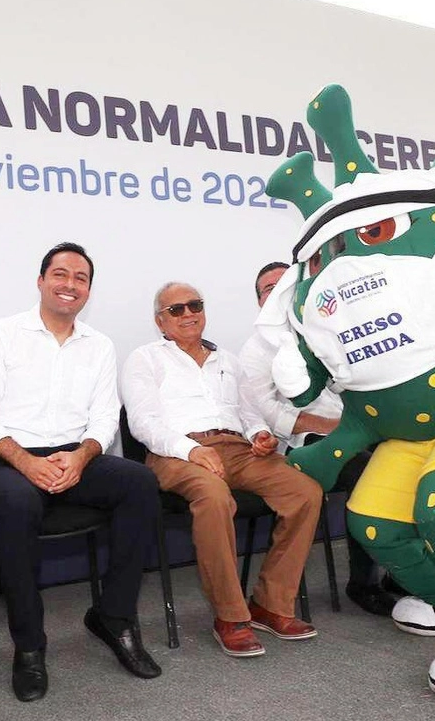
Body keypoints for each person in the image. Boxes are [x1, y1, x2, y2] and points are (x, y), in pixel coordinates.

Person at [0, 242, 162, 703]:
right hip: (3, 458)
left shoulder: (100, 345)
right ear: (40, 281)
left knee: (139, 482)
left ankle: (113, 617)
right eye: (60, 274)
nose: (70, 285)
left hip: (71, 457)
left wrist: (81, 456)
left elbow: (104, 418)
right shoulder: (2, 333)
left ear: (89, 290)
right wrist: (26, 461)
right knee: (17, 502)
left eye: (81, 278)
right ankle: (30, 645)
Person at [122, 281, 322, 658]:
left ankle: (271, 604)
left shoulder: (228, 360)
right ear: (159, 322)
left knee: (305, 492)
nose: (188, 314)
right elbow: (143, 423)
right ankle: (230, 617)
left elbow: (247, 413)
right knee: (215, 498)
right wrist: (192, 450)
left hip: (238, 448)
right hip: (175, 453)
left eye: (194, 305)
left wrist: (261, 434)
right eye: (176, 309)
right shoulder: (146, 358)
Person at [238, 262, 395, 615]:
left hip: (354, 428)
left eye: (284, 285)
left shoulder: (331, 332)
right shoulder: (256, 350)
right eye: (267, 288)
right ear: (260, 301)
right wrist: (337, 427)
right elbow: (270, 414)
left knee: (408, 459)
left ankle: (401, 572)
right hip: (301, 444)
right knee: (368, 474)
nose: (276, 291)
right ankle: (364, 583)